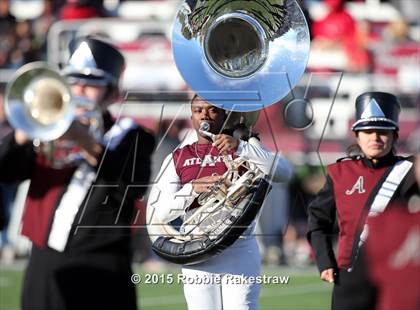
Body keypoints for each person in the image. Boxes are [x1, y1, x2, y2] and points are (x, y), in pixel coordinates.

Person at [0, 37, 155, 310]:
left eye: (92, 83)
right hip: (44, 261)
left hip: (102, 265)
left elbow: (130, 187)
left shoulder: (132, 136)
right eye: (73, 81)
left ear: (112, 93)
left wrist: (86, 142)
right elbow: (6, 171)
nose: (80, 89)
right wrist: (24, 132)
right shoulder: (46, 132)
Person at [147, 95, 293, 310]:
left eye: (212, 110)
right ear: (191, 117)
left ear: (225, 115)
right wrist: (192, 188)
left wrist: (242, 148)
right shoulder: (178, 156)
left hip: (239, 248)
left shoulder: (243, 146)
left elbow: (284, 173)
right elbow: (161, 212)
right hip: (196, 250)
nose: (204, 115)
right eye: (198, 111)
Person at [307, 91, 418, 310]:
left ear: (395, 136)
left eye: (382, 132)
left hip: (393, 277)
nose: (375, 138)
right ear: (357, 136)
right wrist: (325, 261)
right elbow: (318, 220)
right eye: (367, 131)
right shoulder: (340, 172)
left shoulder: (409, 172)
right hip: (349, 277)